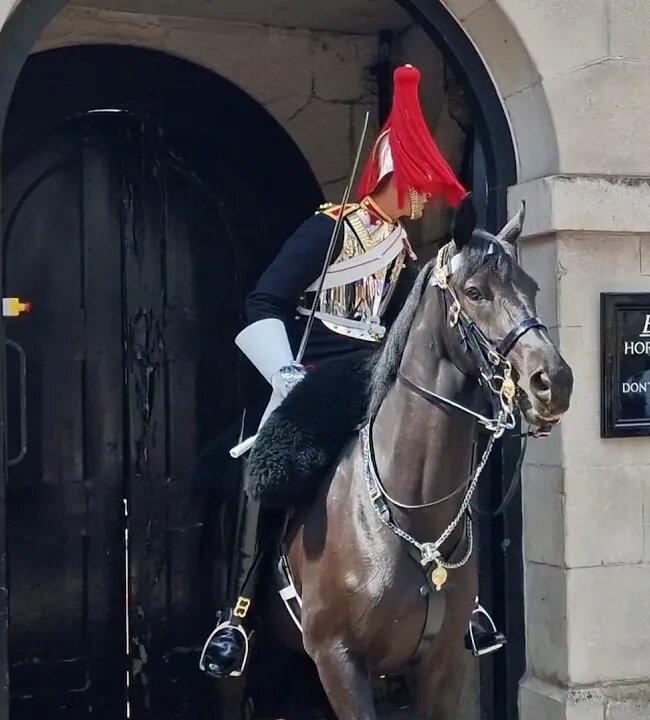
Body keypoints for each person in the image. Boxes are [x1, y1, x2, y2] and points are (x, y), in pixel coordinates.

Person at [197, 64, 503, 679]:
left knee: (448, 454)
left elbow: (398, 330)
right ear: (392, 174)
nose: (423, 200)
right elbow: (265, 302)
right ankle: (239, 613)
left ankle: (466, 604)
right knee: (273, 472)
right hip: (314, 374)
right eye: (418, 185)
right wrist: (285, 374)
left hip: (377, 375)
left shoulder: (402, 248)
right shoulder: (328, 230)